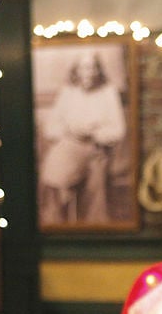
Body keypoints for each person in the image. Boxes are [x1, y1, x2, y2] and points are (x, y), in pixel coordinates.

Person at [38, 50, 127, 225]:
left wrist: (94, 133)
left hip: (96, 150)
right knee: (52, 180)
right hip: (69, 146)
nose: (89, 73)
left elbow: (118, 130)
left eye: (93, 68)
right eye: (84, 68)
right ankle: (57, 226)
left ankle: (92, 228)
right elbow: (51, 128)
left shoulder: (108, 93)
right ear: (76, 70)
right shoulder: (68, 92)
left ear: (99, 70)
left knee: (94, 193)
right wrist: (70, 130)